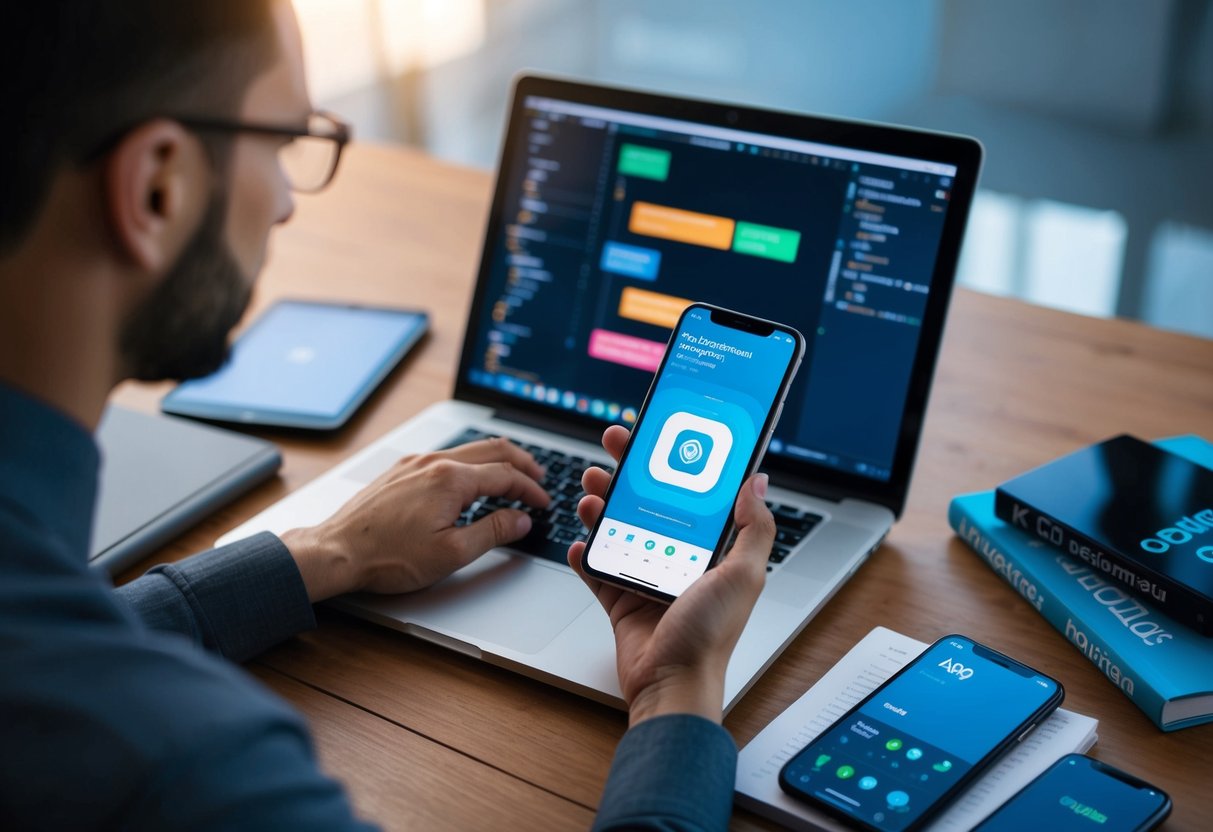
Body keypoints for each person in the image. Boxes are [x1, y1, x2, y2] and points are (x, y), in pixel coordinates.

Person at [0, 2, 776, 829]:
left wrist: (323, 553)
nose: (287, 206)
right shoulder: (189, 774)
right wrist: (675, 692)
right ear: (159, 184)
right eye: (286, 141)